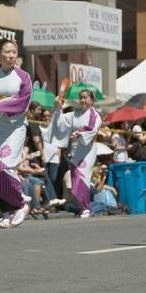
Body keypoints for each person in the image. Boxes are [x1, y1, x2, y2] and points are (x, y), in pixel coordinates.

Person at [0, 38, 32, 228]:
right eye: (7, 52)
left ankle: (20, 204)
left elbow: (23, 102)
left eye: (14, 52)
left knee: (6, 167)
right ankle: (7, 213)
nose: (11, 56)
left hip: (14, 127)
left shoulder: (23, 77)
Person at [54, 89, 103, 219]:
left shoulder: (95, 115)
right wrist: (59, 107)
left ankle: (86, 207)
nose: (82, 100)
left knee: (83, 176)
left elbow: (91, 129)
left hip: (88, 150)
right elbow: (61, 122)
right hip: (76, 150)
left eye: (85, 98)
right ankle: (83, 205)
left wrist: (78, 133)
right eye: (81, 98)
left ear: (92, 100)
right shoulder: (75, 114)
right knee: (75, 175)